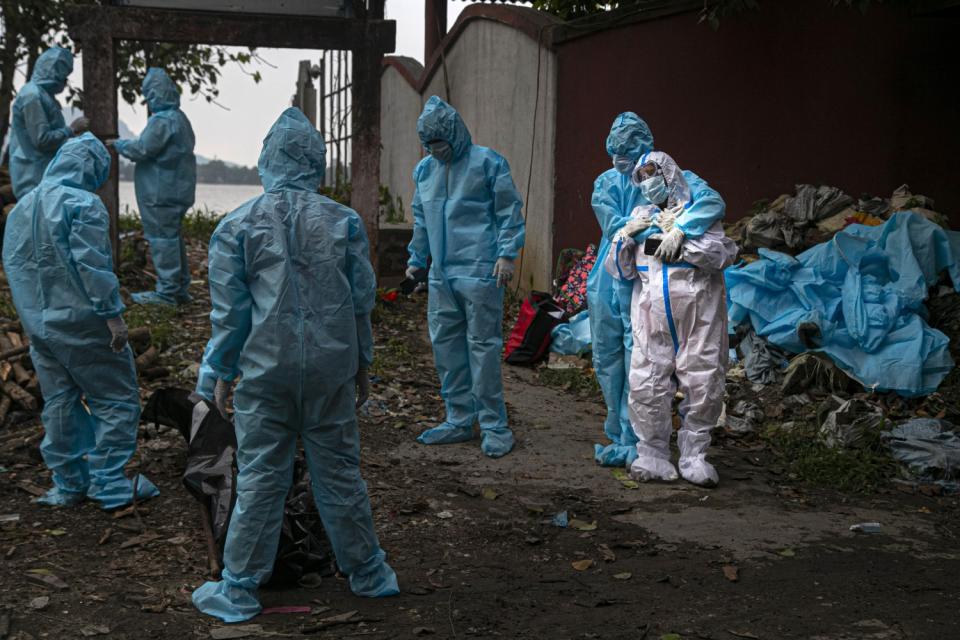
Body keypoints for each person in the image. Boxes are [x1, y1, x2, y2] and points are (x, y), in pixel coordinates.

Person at [191, 108, 398, 623]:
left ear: (266, 158)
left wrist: (216, 372)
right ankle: (369, 572)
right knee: (341, 472)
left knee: (262, 475)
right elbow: (359, 303)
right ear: (317, 162)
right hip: (331, 367)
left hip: (267, 371)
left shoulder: (237, 226)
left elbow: (231, 314)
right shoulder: (342, 221)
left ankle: (239, 586)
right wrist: (363, 364)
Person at [2, 133, 160, 509]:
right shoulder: (83, 204)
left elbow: (16, 266)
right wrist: (112, 315)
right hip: (83, 322)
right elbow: (92, 266)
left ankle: (69, 482)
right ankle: (109, 484)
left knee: (59, 400)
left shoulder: (23, 207)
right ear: (92, 167)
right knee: (116, 399)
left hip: (40, 326)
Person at [607, 151, 737, 486]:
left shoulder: (698, 212)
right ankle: (652, 454)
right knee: (646, 383)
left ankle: (695, 456)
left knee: (704, 380)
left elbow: (722, 253)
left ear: (669, 173)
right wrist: (624, 238)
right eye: (641, 177)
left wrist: (681, 241)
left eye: (652, 173)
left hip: (699, 317)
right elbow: (620, 270)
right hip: (652, 318)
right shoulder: (642, 215)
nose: (647, 182)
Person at [406, 96, 525, 459]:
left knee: (483, 348)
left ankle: (493, 423)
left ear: (455, 134)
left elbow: (508, 210)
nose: (435, 150)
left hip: (480, 269)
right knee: (446, 348)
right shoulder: (425, 171)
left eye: (439, 142)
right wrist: (416, 259)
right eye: (429, 144)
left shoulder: (487, 163)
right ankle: (458, 418)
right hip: (442, 275)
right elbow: (422, 218)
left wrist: (507, 253)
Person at [588, 112, 652, 467]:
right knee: (607, 352)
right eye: (616, 153)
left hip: (644, 273)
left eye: (627, 152)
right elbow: (614, 225)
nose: (620, 160)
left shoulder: (658, 179)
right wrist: (638, 225)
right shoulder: (605, 183)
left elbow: (668, 215)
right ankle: (617, 430)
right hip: (609, 272)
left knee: (640, 355)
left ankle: (640, 436)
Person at [114, 68, 196, 306]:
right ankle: (180, 288)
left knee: (162, 239)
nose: (149, 101)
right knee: (173, 237)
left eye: (149, 95)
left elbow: (142, 149)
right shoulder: (180, 118)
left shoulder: (162, 121)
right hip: (177, 190)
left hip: (160, 192)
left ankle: (168, 293)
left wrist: (118, 144)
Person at [9, 47, 89, 200]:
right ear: (54, 73)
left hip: (39, 172)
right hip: (31, 175)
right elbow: (42, 139)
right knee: (34, 217)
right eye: (64, 76)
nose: (65, 82)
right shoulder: (32, 96)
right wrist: (70, 130)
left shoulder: (43, 95)